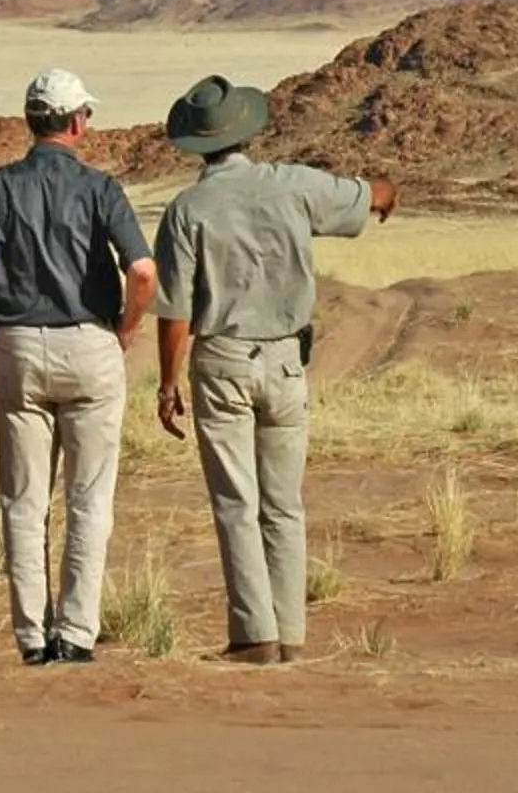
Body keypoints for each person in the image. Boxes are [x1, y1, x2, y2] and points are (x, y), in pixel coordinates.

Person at [152, 75, 397, 665]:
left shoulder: (186, 211)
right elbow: (375, 196)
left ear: (194, 144)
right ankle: (290, 634)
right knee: (283, 504)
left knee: (237, 501)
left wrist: (167, 382)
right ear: (245, 131)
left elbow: (176, 310)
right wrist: (386, 195)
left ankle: (253, 635)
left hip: (224, 361)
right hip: (287, 361)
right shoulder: (293, 185)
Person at [0, 68, 157, 665]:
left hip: (19, 347)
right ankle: (77, 633)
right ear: (79, 122)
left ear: (31, 120)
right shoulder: (100, 187)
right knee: (90, 499)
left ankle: (32, 637)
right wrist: (128, 329)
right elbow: (142, 272)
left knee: (23, 500)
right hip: (91, 343)